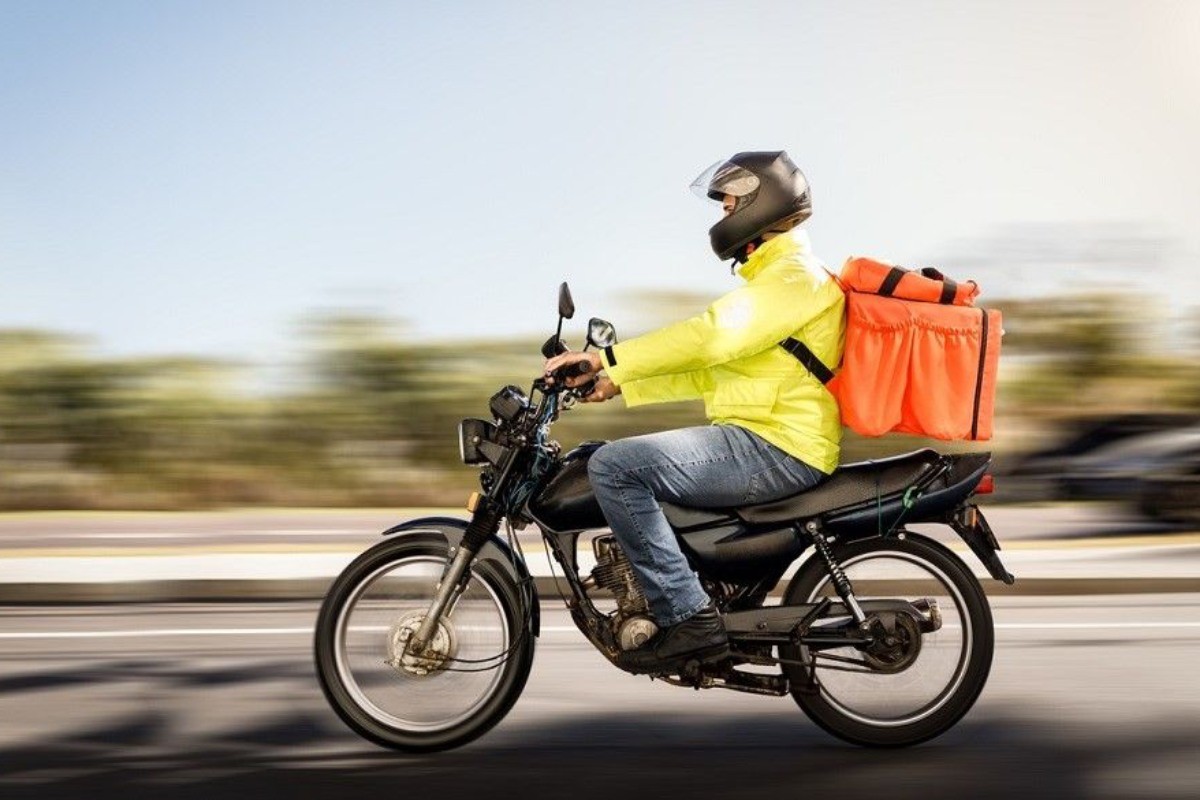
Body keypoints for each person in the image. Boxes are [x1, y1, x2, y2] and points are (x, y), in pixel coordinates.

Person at [543, 150, 845, 672]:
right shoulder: (779, 281)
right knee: (611, 457)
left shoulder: (794, 277)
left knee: (615, 467)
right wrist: (616, 383)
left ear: (763, 202)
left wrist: (604, 356)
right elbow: (712, 370)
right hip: (764, 437)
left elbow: (710, 337)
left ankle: (689, 617)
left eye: (730, 202)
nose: (723, 213)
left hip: (777, 446)